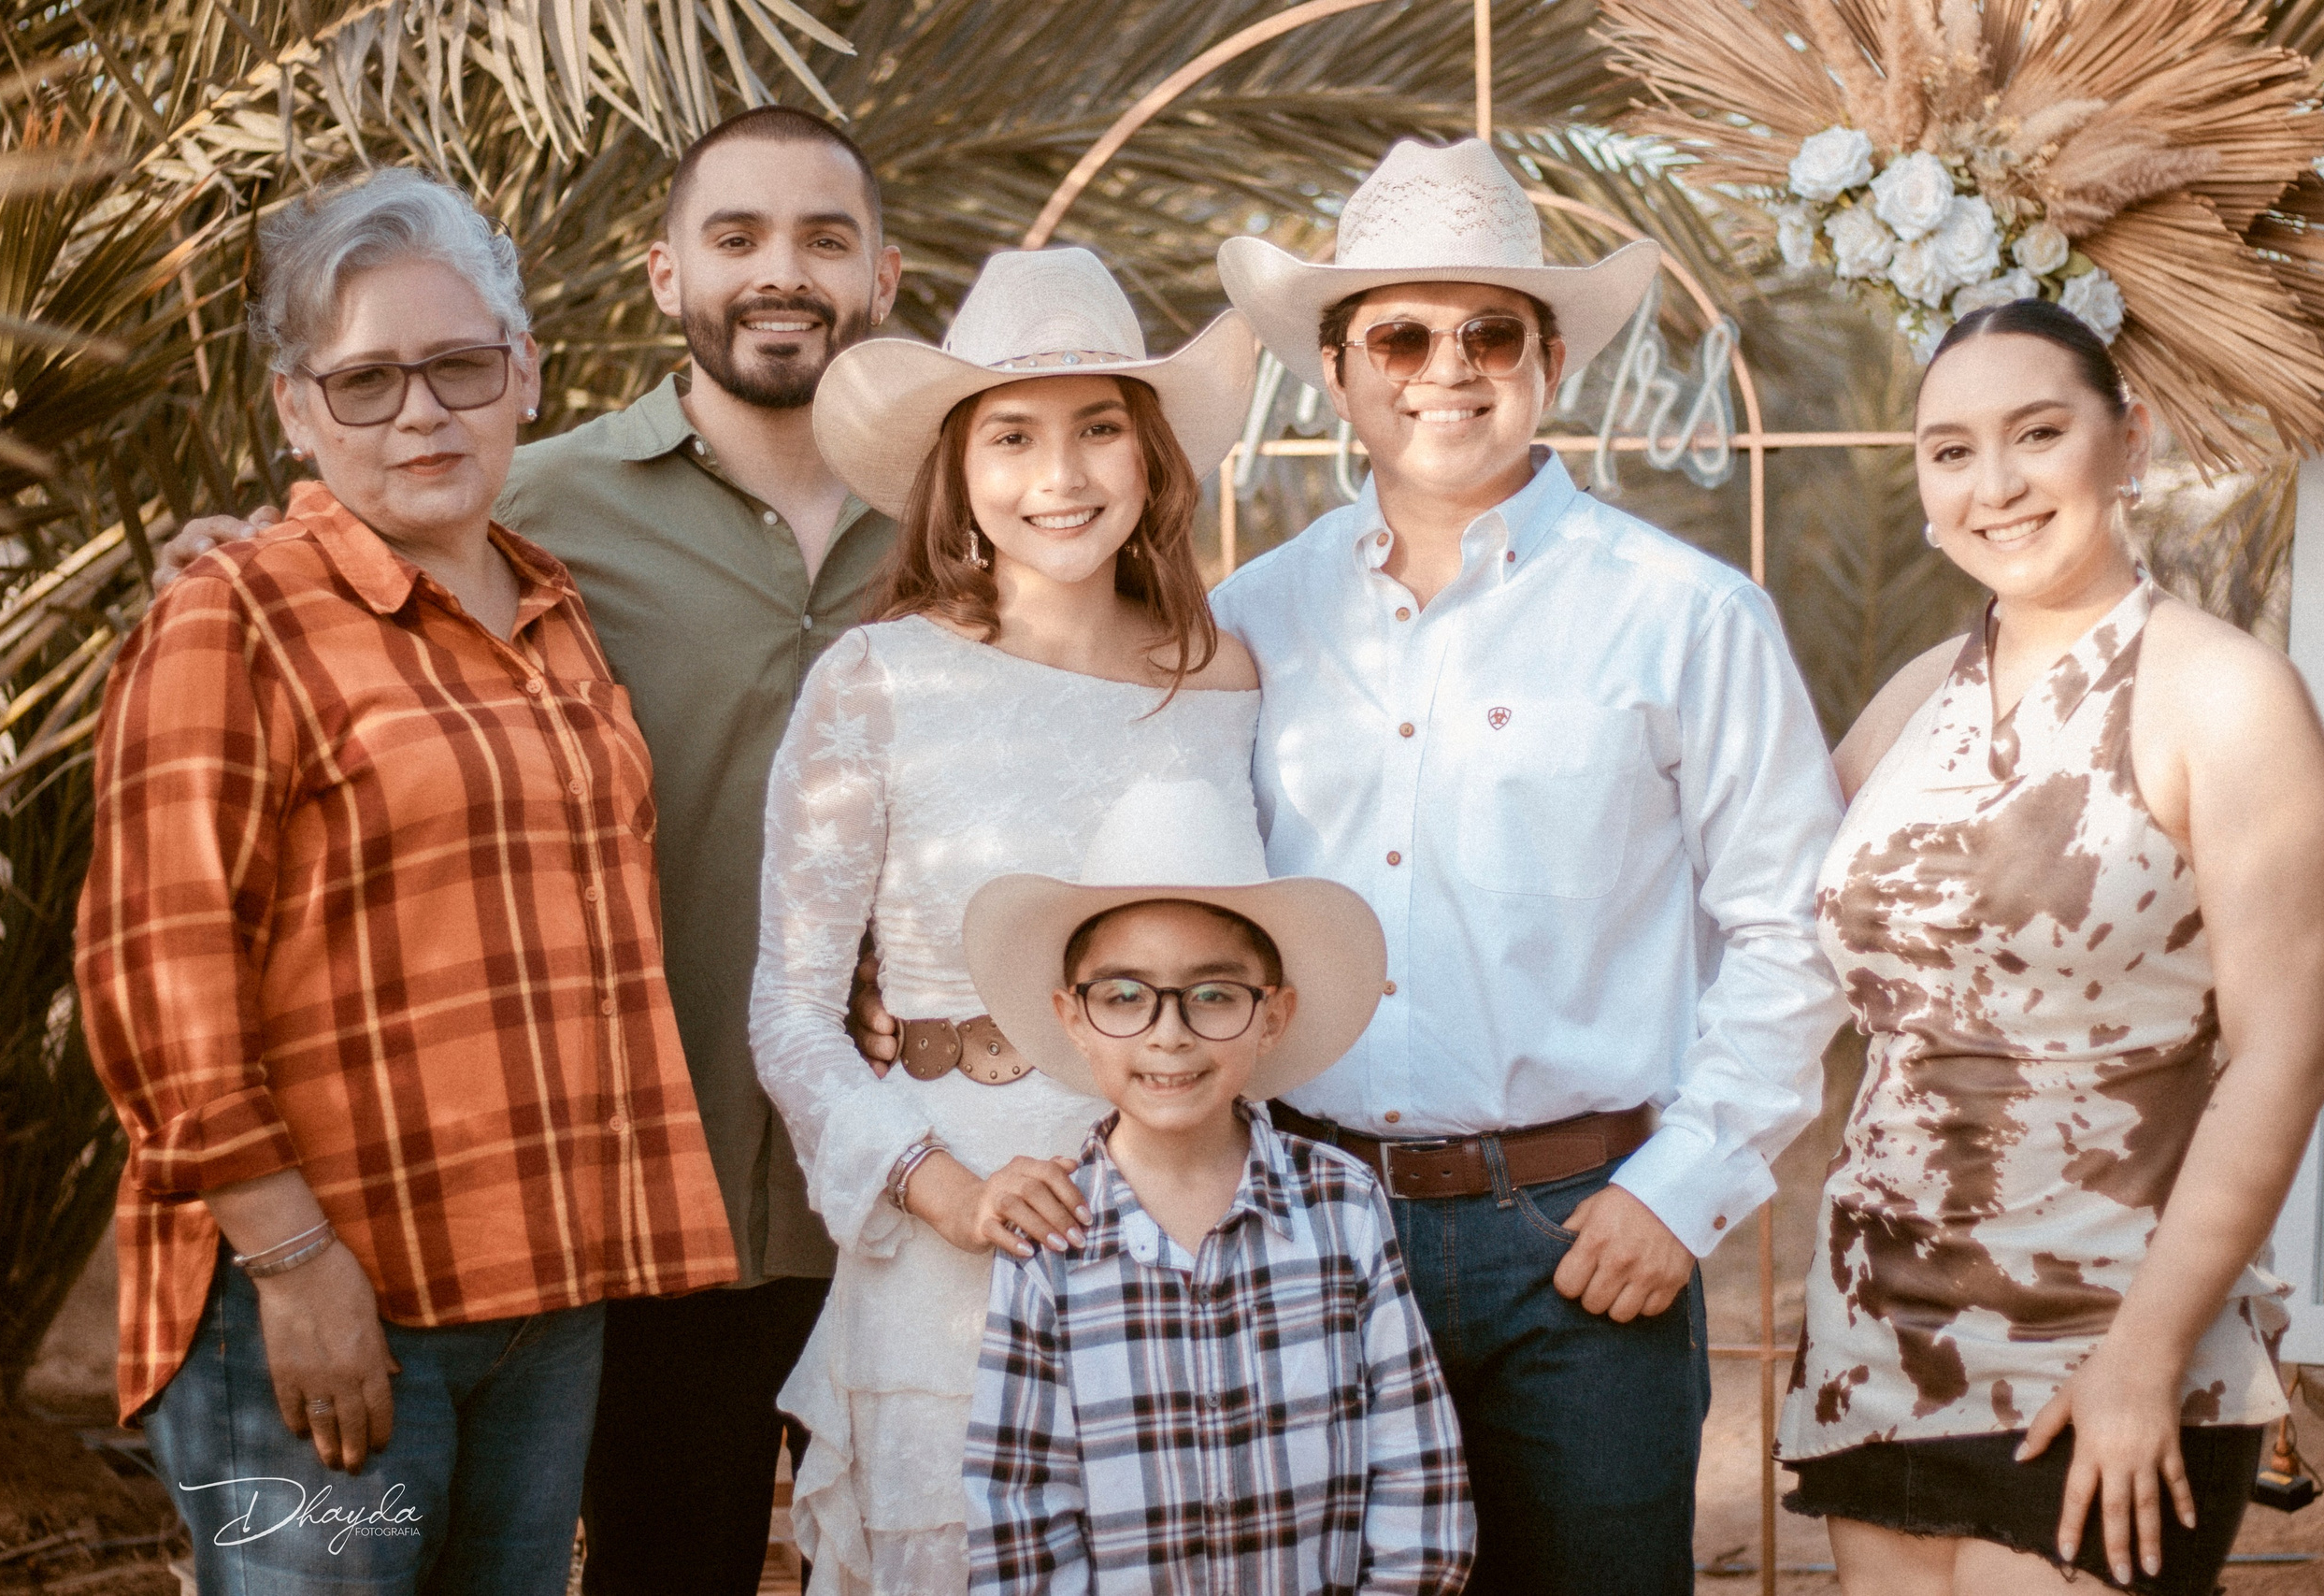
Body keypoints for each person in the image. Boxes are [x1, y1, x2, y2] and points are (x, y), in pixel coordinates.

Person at [153, 108, 902, 1595]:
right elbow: (337, 580)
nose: (780, 272)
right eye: (736, 234)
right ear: (658, 271)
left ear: (884, 276)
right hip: (636, 1204)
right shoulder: (535, 500)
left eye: (824, 239)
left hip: (888, 1184)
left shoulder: (969, 513)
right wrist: (226, 567)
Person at [75, 166, 739, 1593]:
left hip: (545, 1291)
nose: (423, 412)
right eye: (366, 381)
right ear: (296, 408)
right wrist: (297, 1263)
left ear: (526, 372)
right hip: (322, 1303)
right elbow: (156, 974)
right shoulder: (234, 615)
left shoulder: (558, 610)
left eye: (457, 365)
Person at [1208, 137, 1851, 1593]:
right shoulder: (1252, 617)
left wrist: (1681, 1188)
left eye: (1491, 330)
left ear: (1550, 356)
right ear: (1338, 369)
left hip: (1586, 1240)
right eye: (1403, 335)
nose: (1449, 366)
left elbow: (1795, 926)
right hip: (1314, 1234)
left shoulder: (1688, 614)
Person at [1775, 298, 2324, 1596]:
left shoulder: (2226, 694)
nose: (1996, 484)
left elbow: (2286, 1050)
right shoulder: (1911, 700)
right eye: (1951, 449)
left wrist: (2145, 1355)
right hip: (1876, 1328)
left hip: (2108, 1336)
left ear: (2127, 438)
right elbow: (1775, 946)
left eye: (2038, 433)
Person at [748, 246, 1259, 1594]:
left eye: (1101, 429)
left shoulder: (1225, 679)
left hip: (1186, 1230)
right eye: (1015, 436)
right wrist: (947, 1190)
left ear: (1150, 457)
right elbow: (792, 1013)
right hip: (957, 1233)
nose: (1063, 476)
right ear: (958, 471)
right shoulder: (878, 679)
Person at [960, 778, 1475, 1594]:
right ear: (1073, 1016)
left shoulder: (1342, 1206)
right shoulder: (1050, 1236)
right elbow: (1020, 1509)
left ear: (1273, 1014)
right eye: (1125, 995)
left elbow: (1417, 1475)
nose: (1170, 1033)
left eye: (1212, 995)